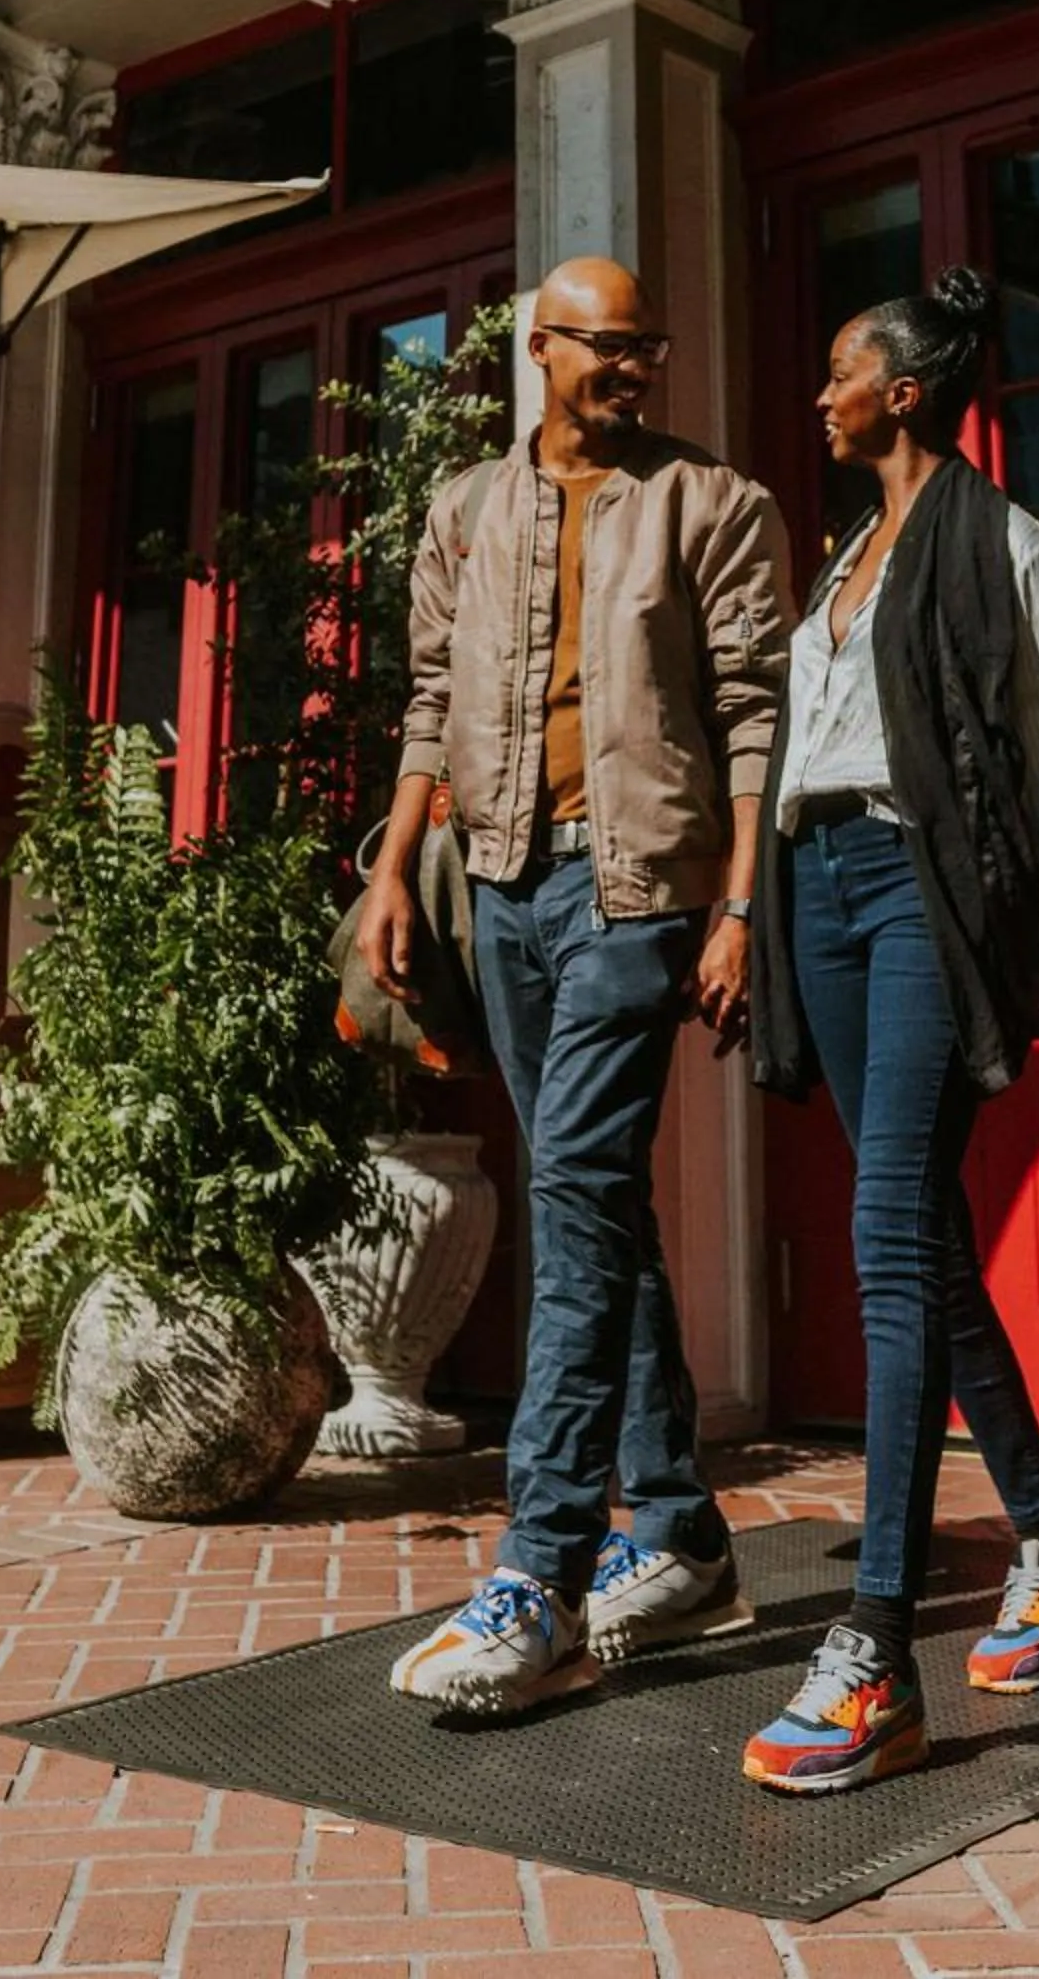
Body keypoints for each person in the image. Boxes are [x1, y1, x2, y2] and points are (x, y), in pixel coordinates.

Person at [366, 257, 794, 1715]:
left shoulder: (715, 505)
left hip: (639, 895)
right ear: (539, 349)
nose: (636, 367)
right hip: (499, 888)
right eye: (611, 344)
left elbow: (754, 717)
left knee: (575, 1199)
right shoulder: (463, 514)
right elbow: (430, 701)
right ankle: (678, 1535)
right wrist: (389, 874)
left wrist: (741, 906)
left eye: (650, 343)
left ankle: (542, 1567)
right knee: (593, 1196)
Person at [742, 264, 1039, 1794]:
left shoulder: (1005, 544)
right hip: (818, 893)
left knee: (890, 1233)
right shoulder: (845, 551)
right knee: (926, 1239)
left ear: (904, 392)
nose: (821, 394)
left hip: (921, 893)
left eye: (843, 372)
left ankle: (875, 1645)